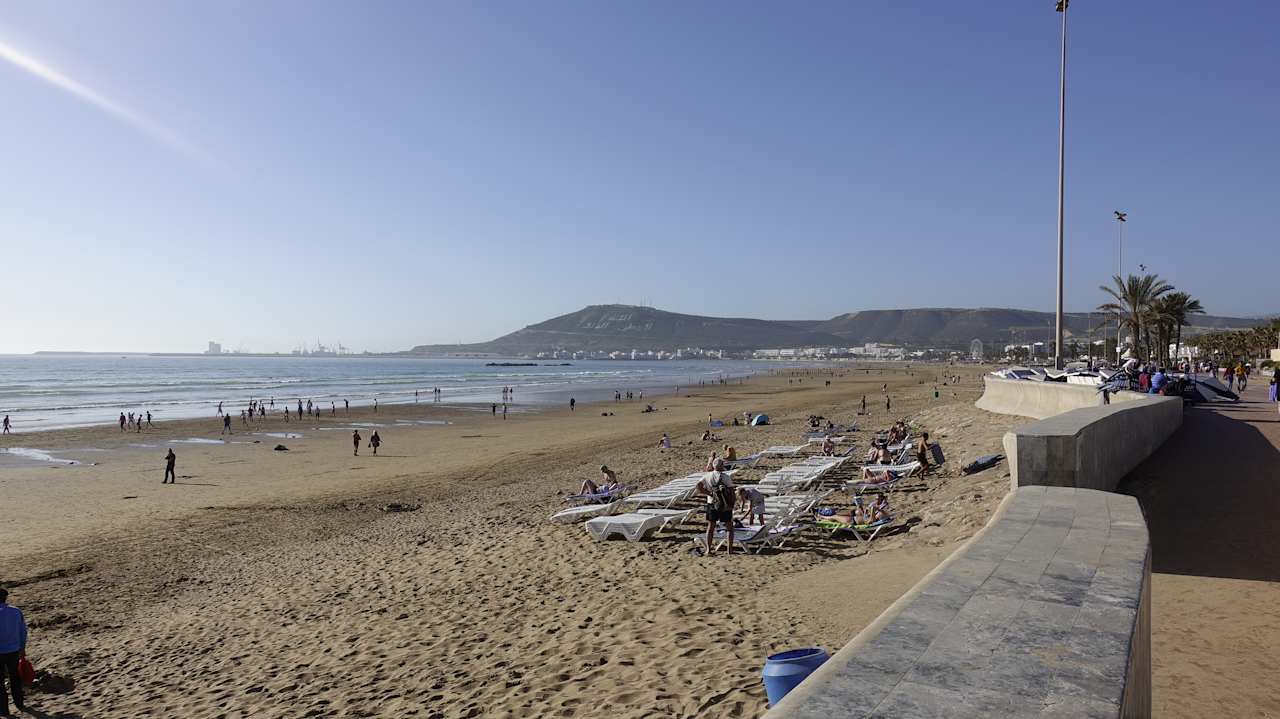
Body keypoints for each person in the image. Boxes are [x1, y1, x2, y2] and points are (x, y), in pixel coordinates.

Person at [695, 460, 735, 555]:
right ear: (721, 466)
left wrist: (710, 493)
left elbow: (698, 486)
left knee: (711, 527)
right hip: (724, 504)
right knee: (729, 527)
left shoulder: (707, 476)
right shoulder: (725, 477)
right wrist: (732, 504)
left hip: (711, 503)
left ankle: (708, 549)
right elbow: (731, 491)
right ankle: (729, 550)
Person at [0, 587, 28, 716]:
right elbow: (22, 631)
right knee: (15, 677)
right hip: (13, 649)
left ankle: (4, 710)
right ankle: (19, 702)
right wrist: (22, 648)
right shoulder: (16, 611)